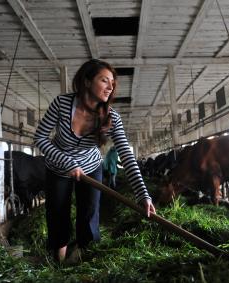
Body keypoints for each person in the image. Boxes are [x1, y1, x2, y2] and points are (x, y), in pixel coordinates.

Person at [34, 59, 156, 262]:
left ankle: (86, 260)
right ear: (87, 81)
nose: (110, 87)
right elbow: (39, 138)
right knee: (57, 213)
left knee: (89, 214)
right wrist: (67, 163)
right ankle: (58, 263)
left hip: (91, 166)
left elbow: (126, 154)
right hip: (58, 167)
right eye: (104, 80)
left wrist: (143, 194)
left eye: (112, 83)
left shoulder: (111, 117)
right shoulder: (62, 104)